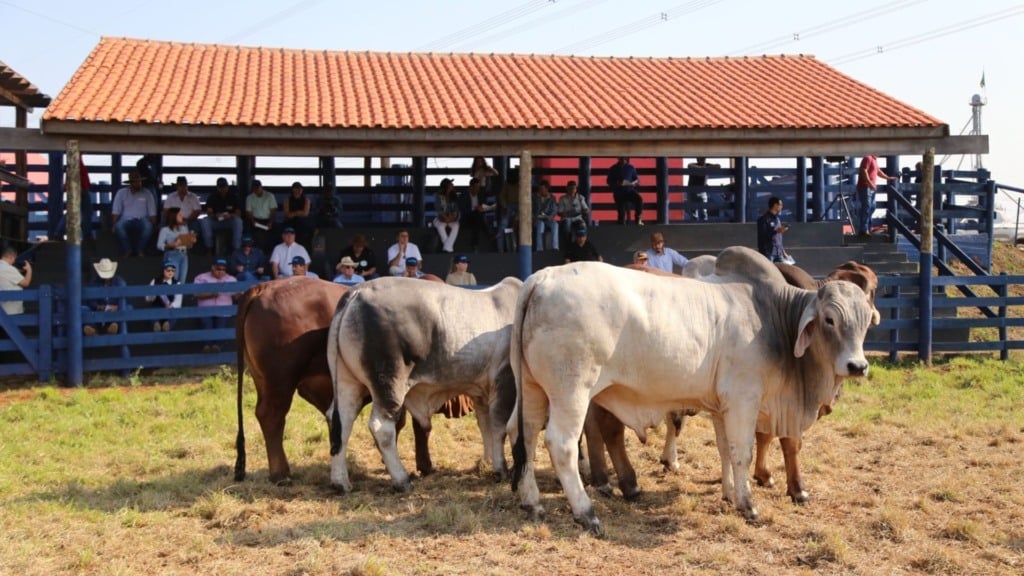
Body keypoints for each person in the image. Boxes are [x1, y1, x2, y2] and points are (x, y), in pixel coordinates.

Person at [194, 258, 239, 352]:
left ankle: (217, 347)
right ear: (213, 268)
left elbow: (236, 297)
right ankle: (207, 346)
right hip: (205, 308)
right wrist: (211, 294)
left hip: (224, 309)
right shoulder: (201, 278)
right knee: (206, 327)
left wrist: (241, 293)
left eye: (223, 269)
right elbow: (196, 294)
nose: (221, 271)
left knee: (221, 328)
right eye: (218, 269)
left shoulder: (231, 279)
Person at [111, 170, 157, 257]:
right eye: (136, 182)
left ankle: (140, 250)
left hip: (142, 219)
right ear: (131, 183)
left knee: (148, 227)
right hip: (126, 219)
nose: (139, 183)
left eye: (139, 181)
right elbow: (116, 210)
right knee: (119, 226)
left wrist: (153, 225)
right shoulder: (121, 193)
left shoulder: (147, 193)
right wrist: (114, 224)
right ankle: (128, 249)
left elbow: (152, 212)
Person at [83, 258, 127, 336]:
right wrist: (98, 307)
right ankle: (92, 329)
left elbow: (125, 298)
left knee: (128, 308)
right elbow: (90, 301)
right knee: (83, 309)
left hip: (114, 311)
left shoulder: (119, 281)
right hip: (98, 311)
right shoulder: (94, 282)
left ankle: (113, 326)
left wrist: (117, 306)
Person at [201, 176, 244, 255]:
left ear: (227, 187)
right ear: (217, 188)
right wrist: (215, 215)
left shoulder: (233, 197)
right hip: (216, 221)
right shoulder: (212, 197)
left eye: (224, 187)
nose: (223, 189)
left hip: (229, 221)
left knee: (238, 221)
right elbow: (209, 212)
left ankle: (236, 249)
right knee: (205, 221)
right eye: (221, 187)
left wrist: (230, 215)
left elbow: (238, 213)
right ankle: (209, 248)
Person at [855, 155, 896, 237]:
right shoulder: (868, 158)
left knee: (872, 207)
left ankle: (868, 228)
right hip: (865, 186)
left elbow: (878, 171)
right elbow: (863, 170)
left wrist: (887, 178)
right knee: (866, 206)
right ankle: (863, 229)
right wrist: (870, 183)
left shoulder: (874, 160)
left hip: (871, 188)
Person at [156, 207, 196, 283]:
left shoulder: (184, 228)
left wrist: (191, 241)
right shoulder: (165, 230)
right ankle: (171, 295)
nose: (182, 216)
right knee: (173, 278)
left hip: (184, 254)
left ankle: (179, 295)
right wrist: (171, 245)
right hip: (172, 254)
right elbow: (159, 245)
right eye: (179, 215)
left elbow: (188, 246)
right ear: (173, 217)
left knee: (182, 280)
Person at [459, 177, 496, 252]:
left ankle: (475, 244)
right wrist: (474, 209)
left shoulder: (481, 195)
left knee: (477, 217)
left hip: (478, 216)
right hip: (467, 217)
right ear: (471, 187)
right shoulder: (464, 195)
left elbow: (484, 205)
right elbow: (463, 209)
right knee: (477, 216)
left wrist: (485, 208)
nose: (478, 189)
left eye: (479, 187)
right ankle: (489, 234)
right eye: (476, 187)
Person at [145, 260, 182, 332]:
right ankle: (156, 324)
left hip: (170, 307)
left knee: (174, 314)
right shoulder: (155, 281)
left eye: (173, 270)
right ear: (163, 271)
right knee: (152, 313)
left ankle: (167, 325)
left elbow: (178, 301)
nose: (171, 272)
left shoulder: (177, 283)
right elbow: (147, 298)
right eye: (168, 270)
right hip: (157, 306)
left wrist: (172, 305)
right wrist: (153, 295)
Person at [757, 196, 795, 264]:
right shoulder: (764, 219)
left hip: (778, 253)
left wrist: (783, 252)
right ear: (775, 205)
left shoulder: (777, 219)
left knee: (785, 270)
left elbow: (779, 238)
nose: (782, 207)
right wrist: (776, 231)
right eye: (780, 205)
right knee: (768, 272)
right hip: (768, 253)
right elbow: (762, 236)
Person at [607, 157, 643, 226]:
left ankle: (638, 219)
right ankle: (621, 226)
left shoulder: (631, 168)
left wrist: (636, 182)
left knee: (639, 199)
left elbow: (636, 179)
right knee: (621, 212)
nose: (623, 160)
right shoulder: (613, 168)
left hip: (629, 191)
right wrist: (616, 183)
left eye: (624, 158)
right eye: (621, 158)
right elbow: (609, 181)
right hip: (619, 193)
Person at [244, 179, 278, 251]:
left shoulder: (269, 196)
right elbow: (249, 212)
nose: (256, 190)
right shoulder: (249, 198)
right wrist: (253, 221)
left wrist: (270, 222)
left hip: (268, 220)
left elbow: (273, 211)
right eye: (254, 188)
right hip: (255, 220)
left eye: (257, 188)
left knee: (274, 232)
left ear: (261, 187)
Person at [557, 180, 590, 246]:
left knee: (583, 225)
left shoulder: (580, 198)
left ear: (576, 189)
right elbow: (559, 212)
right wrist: (566, 213)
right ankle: (568, 243)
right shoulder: (563, 198)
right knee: (567, 226)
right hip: (567, 217)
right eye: (570, 188)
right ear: (567, 189)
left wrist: (585, 211)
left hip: (578, 217)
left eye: (573, 188)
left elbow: (586, 209)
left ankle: (583, 243)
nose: (572, 190)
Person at [432, 178, 461, 253]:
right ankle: (449, 248)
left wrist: (451, 218)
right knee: (440, 226)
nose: (452, 185)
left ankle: (446, 247)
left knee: (456, 226)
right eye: (450, 184)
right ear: (446, 186)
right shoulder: (438, 196)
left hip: (451, 219)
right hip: (441, 218)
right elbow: (438, 210)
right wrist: (445, 218)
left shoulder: (454, 196)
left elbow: (456, 210)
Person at [687, 157, 720, 221]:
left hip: (701, 191)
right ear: (697, 159)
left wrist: (703, 169)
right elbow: (690, 166)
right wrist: (704, 169)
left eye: (703, 158)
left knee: (703, 213)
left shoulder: (706, 165)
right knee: (693, 213)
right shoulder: (693, 165)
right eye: (700, 158)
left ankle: (703, 228)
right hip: (692, 191)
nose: (702, 159)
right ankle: (694, 228)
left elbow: (718, 166)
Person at [0, 247, 31, 316]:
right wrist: (29, 269)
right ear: (11, 257)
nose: (14, 261)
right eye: (14, 259)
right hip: (10, 310)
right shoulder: (9, 268)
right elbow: (26, 283)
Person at [282, 181, 313, 247]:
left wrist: (294, 213)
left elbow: (305, 213)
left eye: (300, 189)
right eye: (296, 188)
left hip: (302, 222)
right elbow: (287, 214)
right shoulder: (287, 200)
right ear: (293, 190)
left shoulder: (306, 200)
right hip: (290, 222)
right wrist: (298, 212)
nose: (298, 190)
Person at [532, 180, 558, 251]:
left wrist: (550, 217)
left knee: (555, 225)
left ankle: (555, 247)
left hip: (548, 218)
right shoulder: (534, 197)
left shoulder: (552, 198)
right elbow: (531, 209)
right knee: (540, 225)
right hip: (537, 219)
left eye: (542, 189)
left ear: (547, 189)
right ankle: (539, 248)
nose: (541, 190)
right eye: (540, 189)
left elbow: (554, 210)